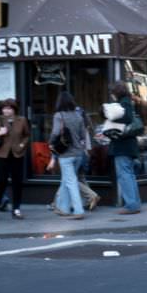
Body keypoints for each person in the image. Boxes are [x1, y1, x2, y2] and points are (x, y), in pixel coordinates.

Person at [0, 98, 30, 219]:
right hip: (1, 155)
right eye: (4, 108)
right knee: (1, 181)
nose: (6, 111)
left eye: (9, 108)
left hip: (17, 154)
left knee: (17, 182)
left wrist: (22, 145)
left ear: (14, 109)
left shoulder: (22, 120)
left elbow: (26, 135)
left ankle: (16, 209)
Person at [47, 91, 88, 220]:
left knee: (70, 182)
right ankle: (64, 208)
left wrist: (50, 143)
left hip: (65, 155)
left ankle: (78, 210)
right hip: (78, 154)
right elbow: (83, 135)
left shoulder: (58, 116)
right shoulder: (78, 116)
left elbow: (55, 133)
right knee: (66, 180)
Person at [105, 82, 141, 214]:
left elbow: (127, 118)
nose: (111, 95)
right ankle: (135, 203)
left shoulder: (124, 103)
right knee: (129, 175)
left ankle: (131, 205)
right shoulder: (128, 102)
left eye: (112, 92)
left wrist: (110, 118)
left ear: (117, 92)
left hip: (122, 146)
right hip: (128, 146)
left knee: (125, 175)